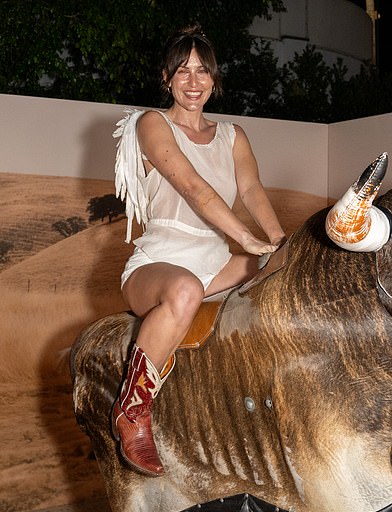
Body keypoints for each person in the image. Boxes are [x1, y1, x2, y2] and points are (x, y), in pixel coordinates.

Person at [111, 24, 286, 477]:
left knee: (284, 269)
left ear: (215, 79)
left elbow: (251, 190)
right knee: (186, 290)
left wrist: (279, 242)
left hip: (216, 261)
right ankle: (133, 411)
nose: (193, 81)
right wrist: (247, 239)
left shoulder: (234, 135)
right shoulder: (152, 124)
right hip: (160, 261)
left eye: (202, 71)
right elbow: (194, 189)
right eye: (183, 71)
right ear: (166, 78)